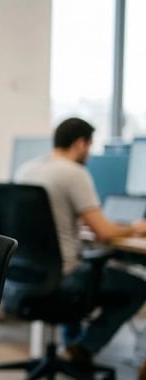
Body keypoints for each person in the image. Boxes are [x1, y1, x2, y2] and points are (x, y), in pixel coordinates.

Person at [16, 117, 146, 365]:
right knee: (138, 287)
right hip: (66, 277)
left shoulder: (27, 170)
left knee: (87, 272)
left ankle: (73, 347)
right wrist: (135, 227)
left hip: (31, 275)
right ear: (80, 144)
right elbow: (104, 232)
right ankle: (84, 347)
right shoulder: (74, 173)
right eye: (90, 146)